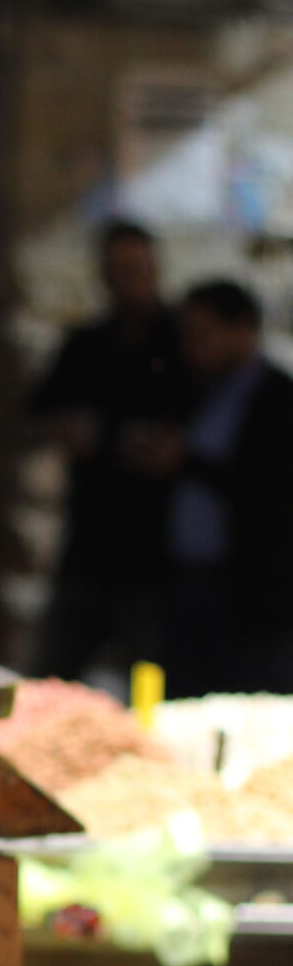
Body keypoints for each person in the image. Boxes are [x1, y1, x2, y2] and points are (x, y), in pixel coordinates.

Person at [29, 219, 186, 681]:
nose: (130, 280)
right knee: (55, 676)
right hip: (91, 539)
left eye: (137, 268)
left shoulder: (179, 342)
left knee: (153, 681)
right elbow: (40, 414)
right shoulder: (86, 345)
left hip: (157, 549)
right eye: (119, 270)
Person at [162, 278, 293, 696]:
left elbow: (270, 490)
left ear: (242, 329)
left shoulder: (277, 397)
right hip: (193, 581)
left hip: (251, 594)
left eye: (203, 335)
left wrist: (188, 463)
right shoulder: (201, 389)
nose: (192, 348)